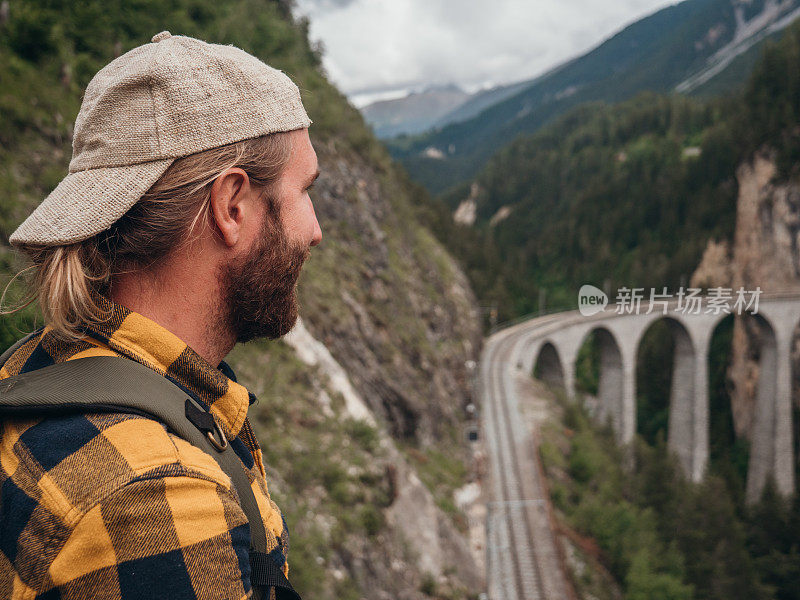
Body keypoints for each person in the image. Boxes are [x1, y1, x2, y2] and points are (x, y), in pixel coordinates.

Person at [0, 31, 321, 599]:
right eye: (304, 192)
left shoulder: (31, 369)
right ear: (232, 206)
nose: (315, 232)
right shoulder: (162, 497)